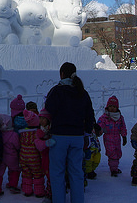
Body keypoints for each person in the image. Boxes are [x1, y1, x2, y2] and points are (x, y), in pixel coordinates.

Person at [44, 62, 95, 203]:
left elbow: (49, 108)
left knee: (57, 172)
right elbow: (90, 115)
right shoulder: (82, 92)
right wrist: (86, 133)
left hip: (59, 137)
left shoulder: (56, 91)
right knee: (77, 172)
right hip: (77, 137)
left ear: (61, 74)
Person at [97, 95, 127, 177]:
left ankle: (115, 167)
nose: (112, 108)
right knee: (112, 153)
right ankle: (113, 169)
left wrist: (124, 136)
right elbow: (99, 126)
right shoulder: (104, 117)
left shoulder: (120, 117)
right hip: (108, 138)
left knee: (117, 152)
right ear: (107, 107)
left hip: (117, 138)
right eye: (110, 106)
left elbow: (123, 127)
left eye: (114, 106)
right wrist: (98, 131)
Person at [19, 109, 45, 197]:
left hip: (24, 158)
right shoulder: (37, 133)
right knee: (37, 174)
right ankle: (39, 191)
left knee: (26, 174)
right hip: (35, 159)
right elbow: (39, 146)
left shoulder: (22, 133)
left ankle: (27, 190)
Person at [0, 114, 21, 196]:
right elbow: (17, 146)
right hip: (12, 157)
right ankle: (13, 185)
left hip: (1, 156)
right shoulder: (14, 135)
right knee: (15, 170)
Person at [34, 108, 53, 202]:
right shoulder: (39, 131)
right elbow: (37, 144)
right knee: (49, 176)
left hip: (54, 157)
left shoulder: (52, 130)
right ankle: (49, 194)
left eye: (43, 118)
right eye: (40, 118)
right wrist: (46, 143)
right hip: (45, 158)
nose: (41, 121)